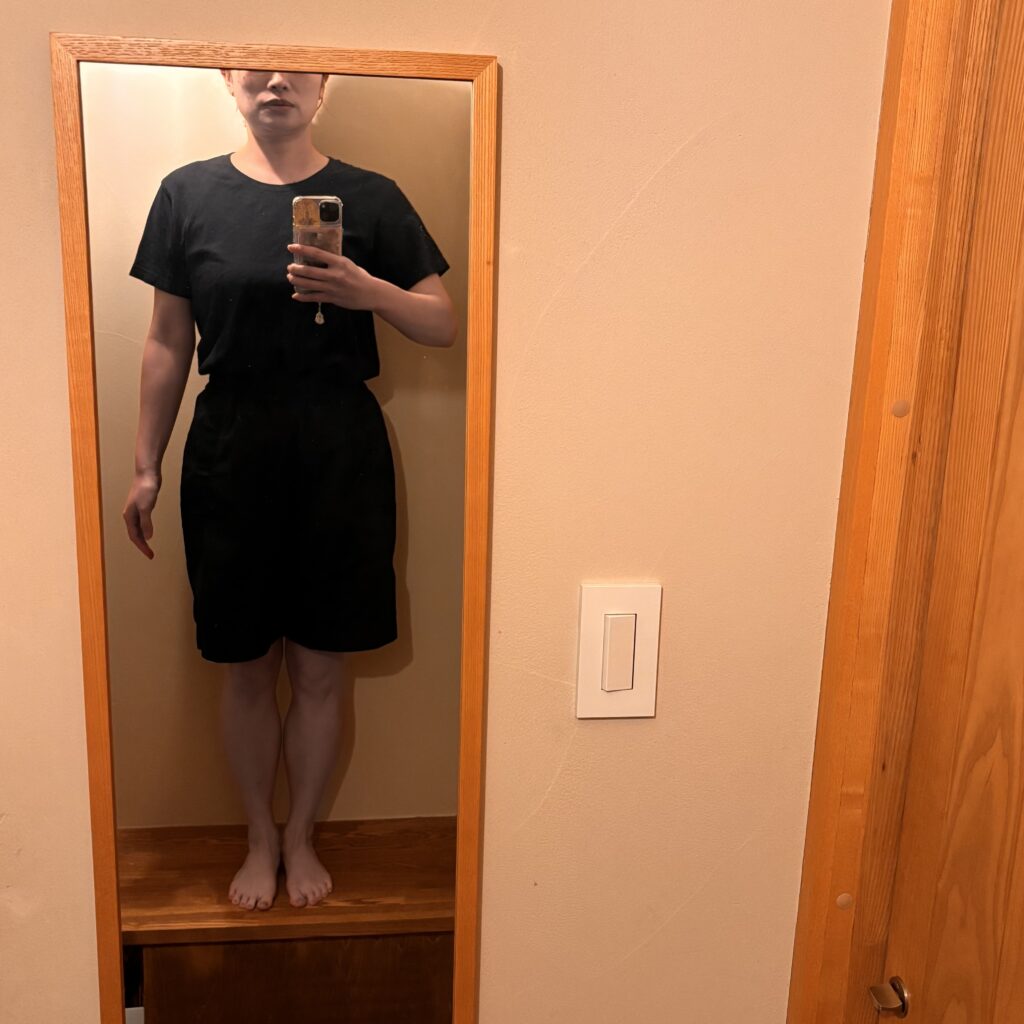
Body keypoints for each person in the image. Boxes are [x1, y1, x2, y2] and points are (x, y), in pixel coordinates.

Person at [121, 69, 457, 912]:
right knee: (242, 665)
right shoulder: (188, 193)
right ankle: (258, 835)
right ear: (227, 81)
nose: (275, 82)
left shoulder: (372, 196)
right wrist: (145, 464)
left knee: (319, 663)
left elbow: (442, 322)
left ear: (323, 86)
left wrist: (365, 290)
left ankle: (300, 833)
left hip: (339, 443)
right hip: (230, 444)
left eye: (295, 70)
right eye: (256, 68)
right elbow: (166, 340)